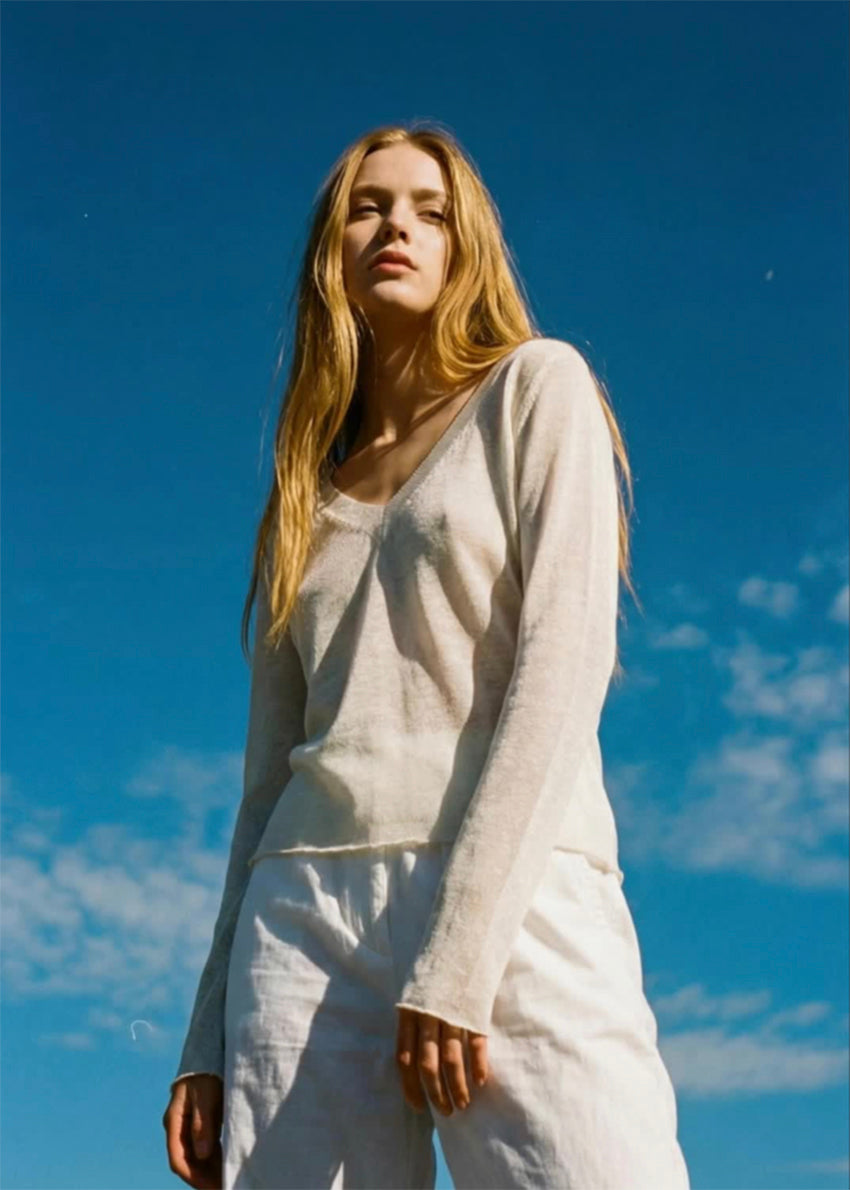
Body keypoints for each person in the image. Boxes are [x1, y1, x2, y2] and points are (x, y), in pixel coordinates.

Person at [163, 121, 691, 1190]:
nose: (396, 223)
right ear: (332, 255)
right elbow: (266, 782)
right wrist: (206, 1031)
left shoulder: (536, 389)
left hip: (519, 891)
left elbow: (565, 660)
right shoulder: (301, 495)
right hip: (302, 916)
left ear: (464, 247)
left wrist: (458, 953)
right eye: (368, 206)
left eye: (428, 208)